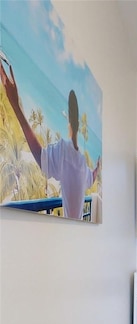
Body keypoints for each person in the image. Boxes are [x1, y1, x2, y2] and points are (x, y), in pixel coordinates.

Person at [1, 60, 101, 220]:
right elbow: (91, 178)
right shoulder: (82, 162)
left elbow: (41, 156)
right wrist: (97, 168)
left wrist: (16, 106)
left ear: (69, 122)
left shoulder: (65, 150)